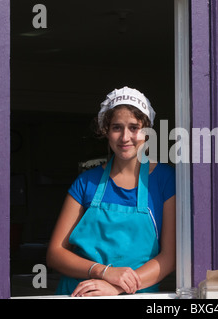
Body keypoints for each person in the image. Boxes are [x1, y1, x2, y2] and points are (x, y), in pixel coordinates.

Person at [47, 87, 176, 296]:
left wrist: (115, 287)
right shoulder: (86, 182)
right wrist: (103, 272)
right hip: (80, 293)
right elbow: (55, 254)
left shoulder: (165, 180)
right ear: (105, 130)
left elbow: (170, 258)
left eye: (134, 127)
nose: (125, 137)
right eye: (117, 127)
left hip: (135, 295)